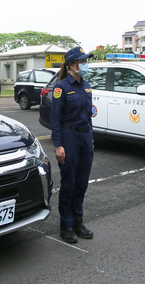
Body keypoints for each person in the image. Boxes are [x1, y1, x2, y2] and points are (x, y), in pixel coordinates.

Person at [51, 46, 95, 243]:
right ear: (71, 65)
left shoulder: (86, 86)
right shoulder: (61, 88)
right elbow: (55, 120)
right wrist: (58, 145)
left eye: (85, 61)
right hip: (69, 138)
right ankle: (66, 225)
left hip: (85, 139)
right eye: (82, 62)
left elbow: (89, 116)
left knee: (82, 183)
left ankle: (78, 221)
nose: (85, 65)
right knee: (69, 183)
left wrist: (91, 138)